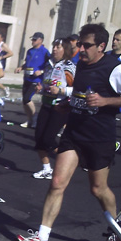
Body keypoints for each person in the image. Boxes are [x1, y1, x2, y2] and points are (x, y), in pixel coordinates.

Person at [17, 23, 121, 241]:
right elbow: (80, 93)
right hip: (74, 132)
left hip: (99, 137)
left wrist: (105, 102)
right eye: (80, 44)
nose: (81, 48)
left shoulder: (115, 68)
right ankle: (41, 240)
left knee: (98, 189)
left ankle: (116, 229)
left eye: (87, 45)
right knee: (57, 182)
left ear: (101, 46)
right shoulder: (81, 64)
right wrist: (69, 104)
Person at [32, 38, 76, 179]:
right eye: (54, 46)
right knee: (39, 138)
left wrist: (61, 91)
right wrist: (41, 87)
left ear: (66, 50)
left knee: (49, 139)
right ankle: (46, 168)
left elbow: (76, 90)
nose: (54, 49)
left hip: (60, 106)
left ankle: (72, 159)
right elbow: (48, 82)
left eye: (58, 47)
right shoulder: (49, 64)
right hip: (46, 104)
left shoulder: (69, 67)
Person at [15, 32, 50, 128]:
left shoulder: (45, 52)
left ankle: (35, 118)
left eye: (35, 39)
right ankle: (29, 119)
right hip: (27, 78)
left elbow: (50, 66)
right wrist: (21, 68)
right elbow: (27, 63)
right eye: (32, 39)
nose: (32, 41)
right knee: (24, 101)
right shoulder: (29, 51)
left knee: (27, 98)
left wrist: (41, 71)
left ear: (40, 40)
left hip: (36, 79)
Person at [0, 32, 13, 98]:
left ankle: (5, 88)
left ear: (2, 38)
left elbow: (11, 53)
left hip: (0, 66)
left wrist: (2, 57)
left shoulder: (3, 45)